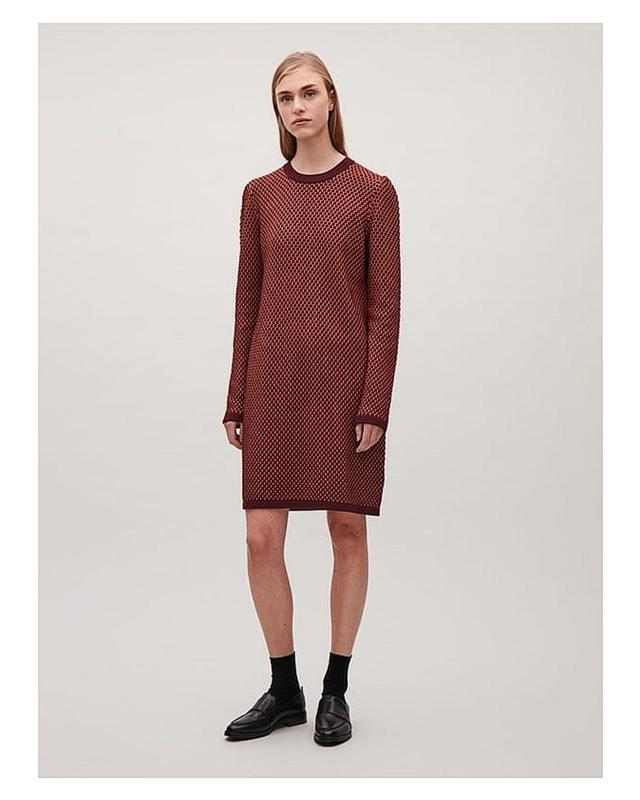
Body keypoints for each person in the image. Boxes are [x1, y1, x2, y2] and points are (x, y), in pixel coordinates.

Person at [221, 51, 401, 746]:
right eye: (284, 98)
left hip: (345, 384)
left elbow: (385, 308)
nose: (296, 107)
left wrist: (375, 403)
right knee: (260, 537)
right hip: (271, 380)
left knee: (346, 531)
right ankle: (284, 689)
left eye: (307, 94)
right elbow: (247, 301)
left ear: (331, 99)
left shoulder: (373, 192)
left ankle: (335, 689)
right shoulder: (259, 194)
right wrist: (236, 396)